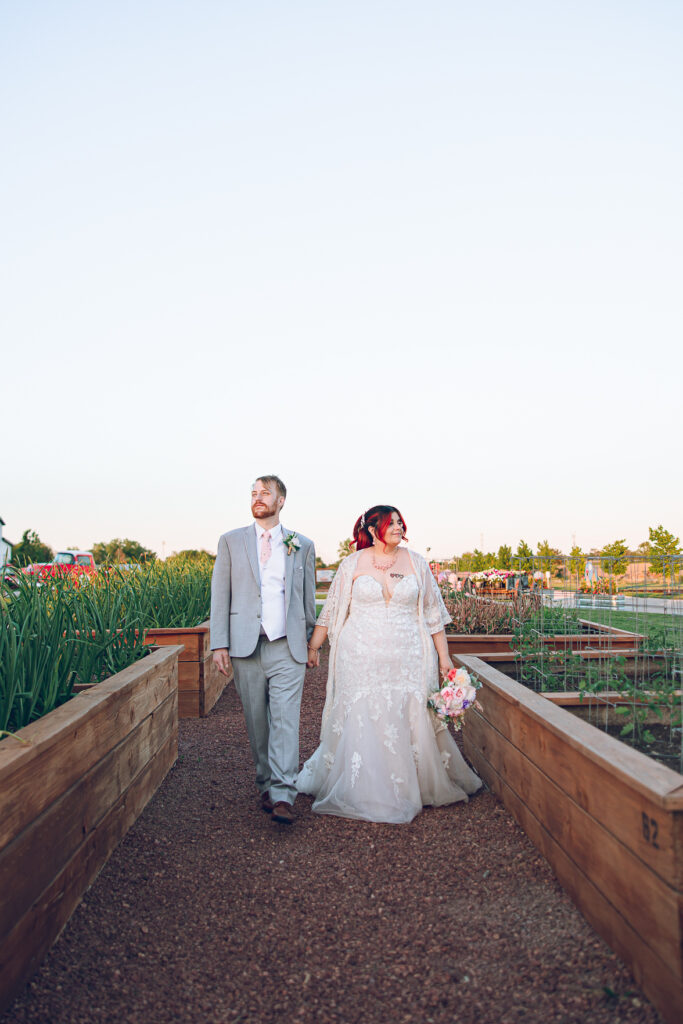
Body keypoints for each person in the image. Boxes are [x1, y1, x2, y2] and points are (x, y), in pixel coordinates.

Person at [296, 505, 481, 823]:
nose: (398, 527)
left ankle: (416, 784)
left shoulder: (417, 563)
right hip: (360, 658)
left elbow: (434, 616)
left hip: (409, 658)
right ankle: (364, 786)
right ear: (371, 529)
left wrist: (444, 658)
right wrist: (314, 646)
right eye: (390, 523)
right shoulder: (352, 563)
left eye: (400, 522)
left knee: (408, 711)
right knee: (365, 714)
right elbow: (332, 610)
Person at [211, 475, 316, 825]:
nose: (258, 498)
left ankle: (285, 793)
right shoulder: (230, 542)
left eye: (265, 493)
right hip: (245, 645)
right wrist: (219, 643)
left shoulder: (301, 544)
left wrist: (311, 641)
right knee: (257, 723)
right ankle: (265, 784)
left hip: (287, 645)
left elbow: (306, 599)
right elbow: (220, 595)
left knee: (285, 720)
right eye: (253, 493)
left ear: (281, 500)